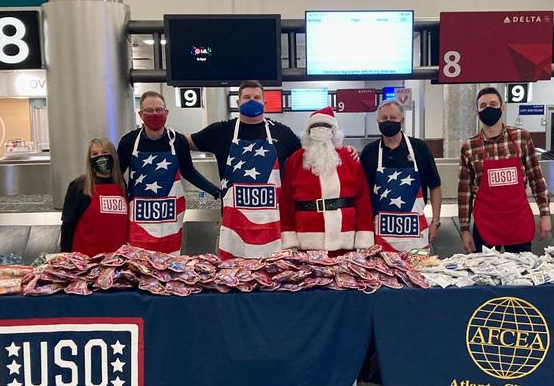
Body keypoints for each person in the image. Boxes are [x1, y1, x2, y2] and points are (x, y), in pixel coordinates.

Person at [187, 80, 301, 259]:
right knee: (233, 281)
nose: (252, 101)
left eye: (257, 97)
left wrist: (344, 150)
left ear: (265, 102)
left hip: (273, 230)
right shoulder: (221, 131)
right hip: (234, 231)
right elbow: (182, 143)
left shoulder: (283, 133)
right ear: (238, 102)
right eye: (247, 97)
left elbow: (307, 156)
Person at [117, 91, 220, 254]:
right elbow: (117, 176)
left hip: (170, 217)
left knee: (169, 266)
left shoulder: (178, 141)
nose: (155, 114)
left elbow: (189, 171)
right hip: (139, 219)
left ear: (167, 112)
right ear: (140, 114)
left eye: (159, 110)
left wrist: (215, 191)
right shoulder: (129, 141)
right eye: (149, 110)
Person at [458, 87, 551, 253]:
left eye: (493, 104)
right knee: (484, 277)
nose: (488, 108)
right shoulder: (469, 147)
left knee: (520, 277)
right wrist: (464, 229)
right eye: (483, 105)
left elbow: (536, 178)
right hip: (485, 225)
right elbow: (464, 192)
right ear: (477, 111)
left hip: (518, 222)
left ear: (502, 107)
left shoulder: (522, 138)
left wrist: (545, 214)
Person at [280, 107, 374, 254]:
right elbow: (286, 203)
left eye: (325, 126)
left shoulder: (349, 158)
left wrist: (364, 238)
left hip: (345, 241)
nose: (321, 130)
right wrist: (289, 238)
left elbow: (362, 201)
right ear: (308, 131)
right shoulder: (296, 160)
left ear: (334, 132)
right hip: (306, 242)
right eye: (315, 127)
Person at [360, 99, 442, 252]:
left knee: (417, 275)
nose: (388, 122)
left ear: (402, 120)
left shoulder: (420, 148)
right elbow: (361, 194)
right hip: (380, 237)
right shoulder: (369, 152)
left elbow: (435, 186)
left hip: (415, 236)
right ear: (377, 120)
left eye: (393, 118)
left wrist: (435, 222)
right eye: (384, 119)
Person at [61, 138, 128, 256]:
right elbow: (68, 225)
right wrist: (64, 257)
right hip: (85, 262)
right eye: (95, 154)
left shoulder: (121, 184)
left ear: (113, 156)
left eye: (105, 153)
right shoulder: (79, 185)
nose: (100, 157)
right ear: (90, 160)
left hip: (116, 262)